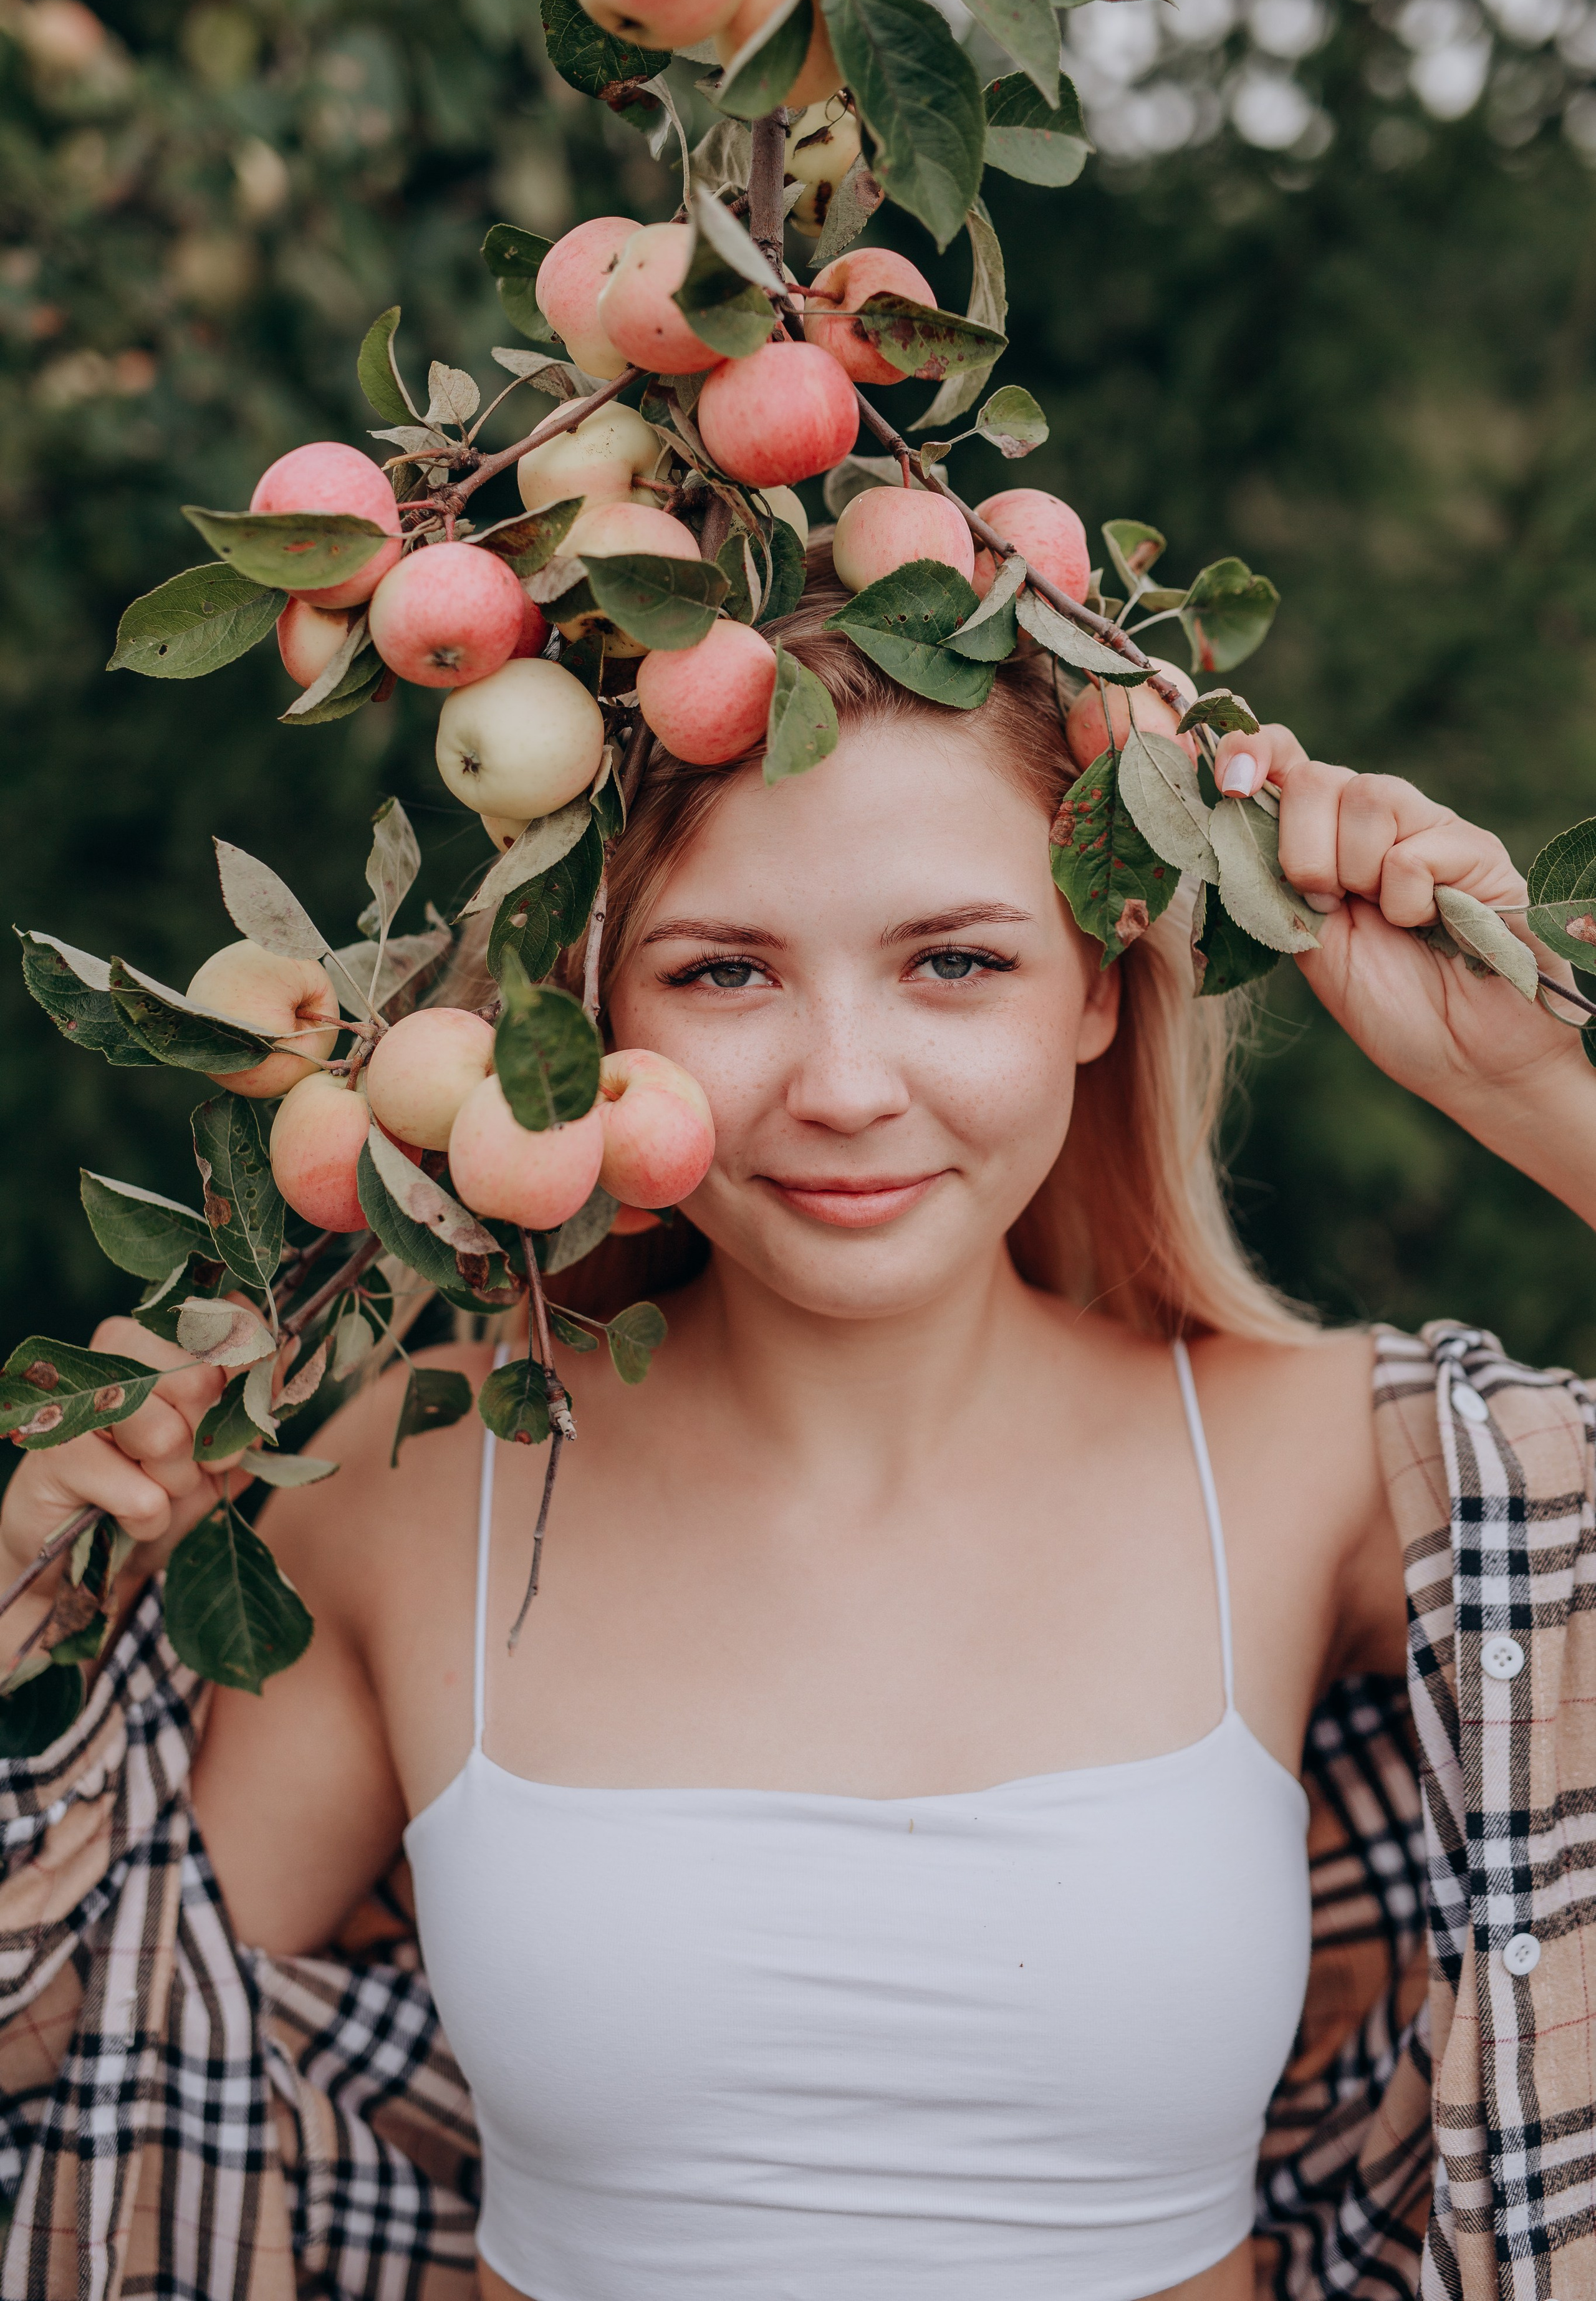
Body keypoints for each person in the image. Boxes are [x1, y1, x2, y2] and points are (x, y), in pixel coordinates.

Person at [3, 555, 1595, 2301]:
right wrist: (21, 1624)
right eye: (727, 974)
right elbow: (95, 2061)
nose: (844, 1084)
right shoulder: (414, 1483)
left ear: (1098, 988)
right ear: (589, 1023)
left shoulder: (1321, 1467)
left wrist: (1522, 1082)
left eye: (956, 962)